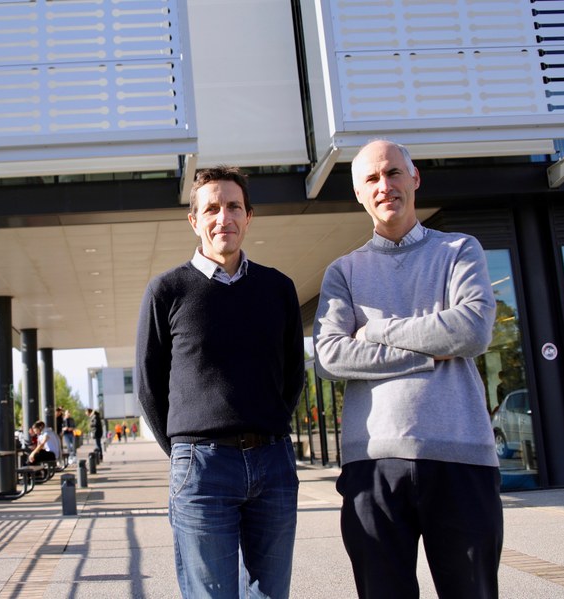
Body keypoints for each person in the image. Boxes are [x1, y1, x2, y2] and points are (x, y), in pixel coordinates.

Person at [313, 139, 500, 599]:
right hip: (372, 465)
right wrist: (425, 352)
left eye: (394, 173)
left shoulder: (459, 250)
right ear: (359, 194)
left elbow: (472, 330)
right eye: (371, 179)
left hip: (461, 457)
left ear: (414, 179)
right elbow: (330, 356)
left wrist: (375, 331)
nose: (385, 186)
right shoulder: (343, 272)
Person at [136, 165, 304, 598]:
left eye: (233, 206)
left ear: (249, 216)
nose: (222, 217)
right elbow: (149, 386)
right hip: (202, 467)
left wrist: (268, 425)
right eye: (211, 208)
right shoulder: (167, 291)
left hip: (274, 464)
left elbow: (293, 374)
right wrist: (184, 451)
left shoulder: (278, 288)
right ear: (195, 221)